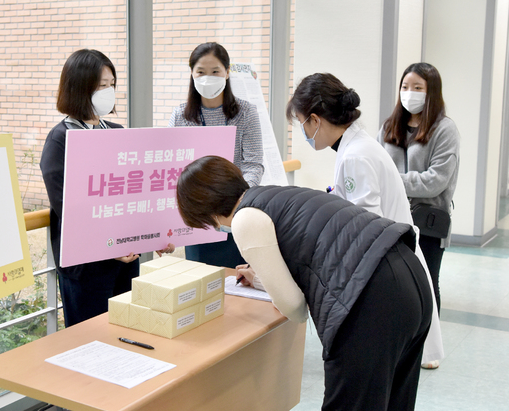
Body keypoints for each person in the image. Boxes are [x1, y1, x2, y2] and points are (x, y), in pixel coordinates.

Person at [177, 156, 432, 411]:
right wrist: (263, 279)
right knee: (397, 402)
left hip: (370, 297)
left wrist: (272, 285)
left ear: (205, 210)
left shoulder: (245, 219)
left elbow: (295, 308)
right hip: (410, 274)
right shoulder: (275, 194)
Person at [283, 72, 444, 367]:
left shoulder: (356, 155)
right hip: (396, 262)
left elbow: (365, 226)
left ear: (316, 120)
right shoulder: (355, 147)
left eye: (303, 123)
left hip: (389, 269)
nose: (304, 132)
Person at [40, 49, 173, 327]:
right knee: (90, 340)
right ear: (79, 87)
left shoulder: (116, 131)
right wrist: (106, 245)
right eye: (101, 85)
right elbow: (68, 207)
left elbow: (137, 193)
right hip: (86, 265)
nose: (108, 91)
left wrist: (155, 234)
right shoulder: (60, 140)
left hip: (125, 258)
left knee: (126, 333)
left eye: (111, 84)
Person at [168, 42, 264, 269]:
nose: (207, 78)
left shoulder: (246, 113)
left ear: (227, 72)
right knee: (201, 288)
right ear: (191, 73)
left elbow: (254, 165)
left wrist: (232, 201)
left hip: (235, 215)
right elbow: (174, 169)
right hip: (199, 219)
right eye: (201, 72)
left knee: (236, 285)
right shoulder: (181, 116)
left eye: (215, 72)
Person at [378, 63, 460, 326]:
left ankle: (429, 344)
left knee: (426, 281)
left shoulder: (444, 129)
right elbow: (376, 166)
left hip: (429, 220)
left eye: (417, 88)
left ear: (431, 92)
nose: (409, 92)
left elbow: (435, 181)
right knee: (394, 282)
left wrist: (392, 180)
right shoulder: (389, 126)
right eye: (405, 87)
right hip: (392, 219)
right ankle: (402, 340)